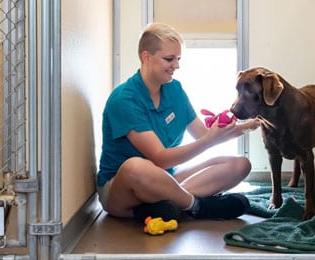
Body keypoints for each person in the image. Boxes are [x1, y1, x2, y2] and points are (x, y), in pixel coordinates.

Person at [96, 23, 259, 222]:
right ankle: (198, 206)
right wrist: (209, 140)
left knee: (240, 164)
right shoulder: (124, 99)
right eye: (169, 59)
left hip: (165, 177)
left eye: (178, 59)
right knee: (136, 167)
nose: (177, 65)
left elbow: (203, 134)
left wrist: (247, 125)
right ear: (146, 57)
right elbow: (161, 159)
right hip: (123, 189)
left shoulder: (175, 90)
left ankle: (164, 206)